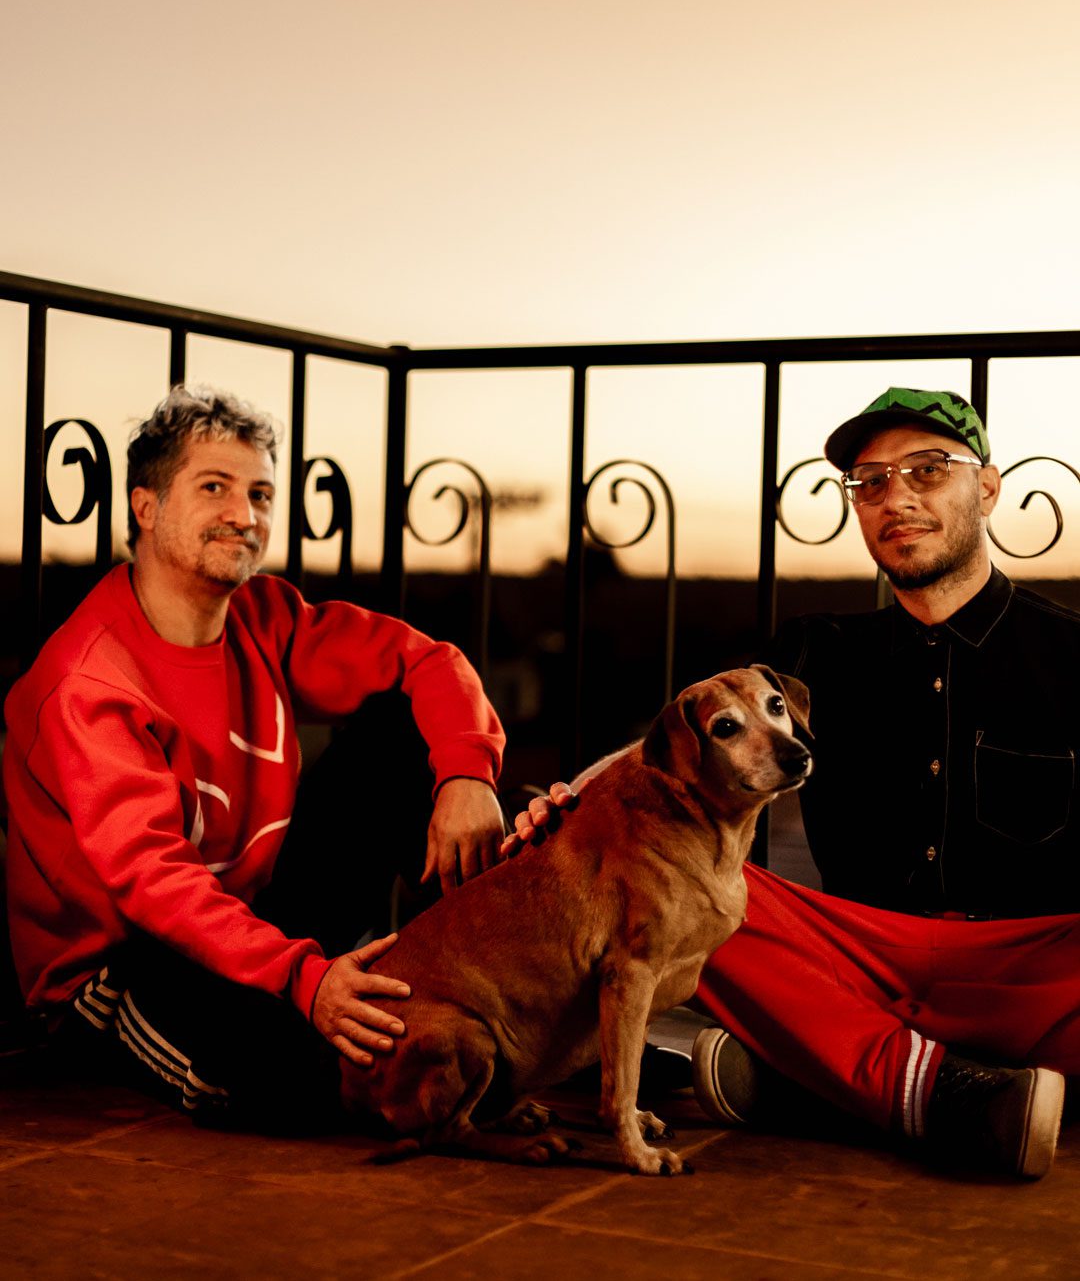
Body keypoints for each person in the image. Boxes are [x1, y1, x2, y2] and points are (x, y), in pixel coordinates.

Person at [511, 388, 1080, 1178]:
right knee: (691, 892)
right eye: (870, 482)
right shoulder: (813, 653)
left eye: (927, 470)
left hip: (1031, 969)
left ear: (985, 488)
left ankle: (827, 1077)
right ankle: (938, 1090)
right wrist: (574, 799)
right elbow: (679, 742)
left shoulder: (1071, 652)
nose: (896, 499)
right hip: (853, 957)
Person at [3, 383, 506, 1128]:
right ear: (146, 507)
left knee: (406, 733)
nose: (246, 515)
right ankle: (425, 1045)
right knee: (264, 1076)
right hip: (127, 963)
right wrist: (303, 978)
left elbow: (429, 660)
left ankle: (520, 992)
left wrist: (466, 774)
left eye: (261, 494)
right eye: (215, 488)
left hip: (255, 921)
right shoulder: (90, 682)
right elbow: (155, 885)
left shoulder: (265, 617)